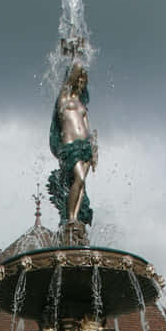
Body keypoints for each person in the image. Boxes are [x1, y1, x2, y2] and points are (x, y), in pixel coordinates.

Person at [48, 62, 96, 225]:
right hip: (70, 145)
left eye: (84, 82)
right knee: (79, 179)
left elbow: (88, 131)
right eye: (79, 81)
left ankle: (75, 219)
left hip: (85, 147)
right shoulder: (64, 98)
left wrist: (94, 150)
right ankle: (71, 218)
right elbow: (72, 73)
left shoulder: (82, 105)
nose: (81, 84)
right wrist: (77, 57)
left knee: (82, 184)